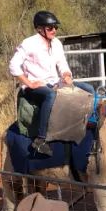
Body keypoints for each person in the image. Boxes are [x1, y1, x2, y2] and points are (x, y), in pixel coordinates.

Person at [9, 11, 74, 158]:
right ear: (40, 29)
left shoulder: (56, 43)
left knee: (87, 89)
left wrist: (66, 74)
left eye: (55, 27)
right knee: (50, 95)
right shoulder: (29, 43)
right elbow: (13, 65)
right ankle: (41, 139)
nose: (54, 30)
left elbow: (62, 63)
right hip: (36, 87)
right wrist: (29, 84)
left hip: (55, 83)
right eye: (50, 28)